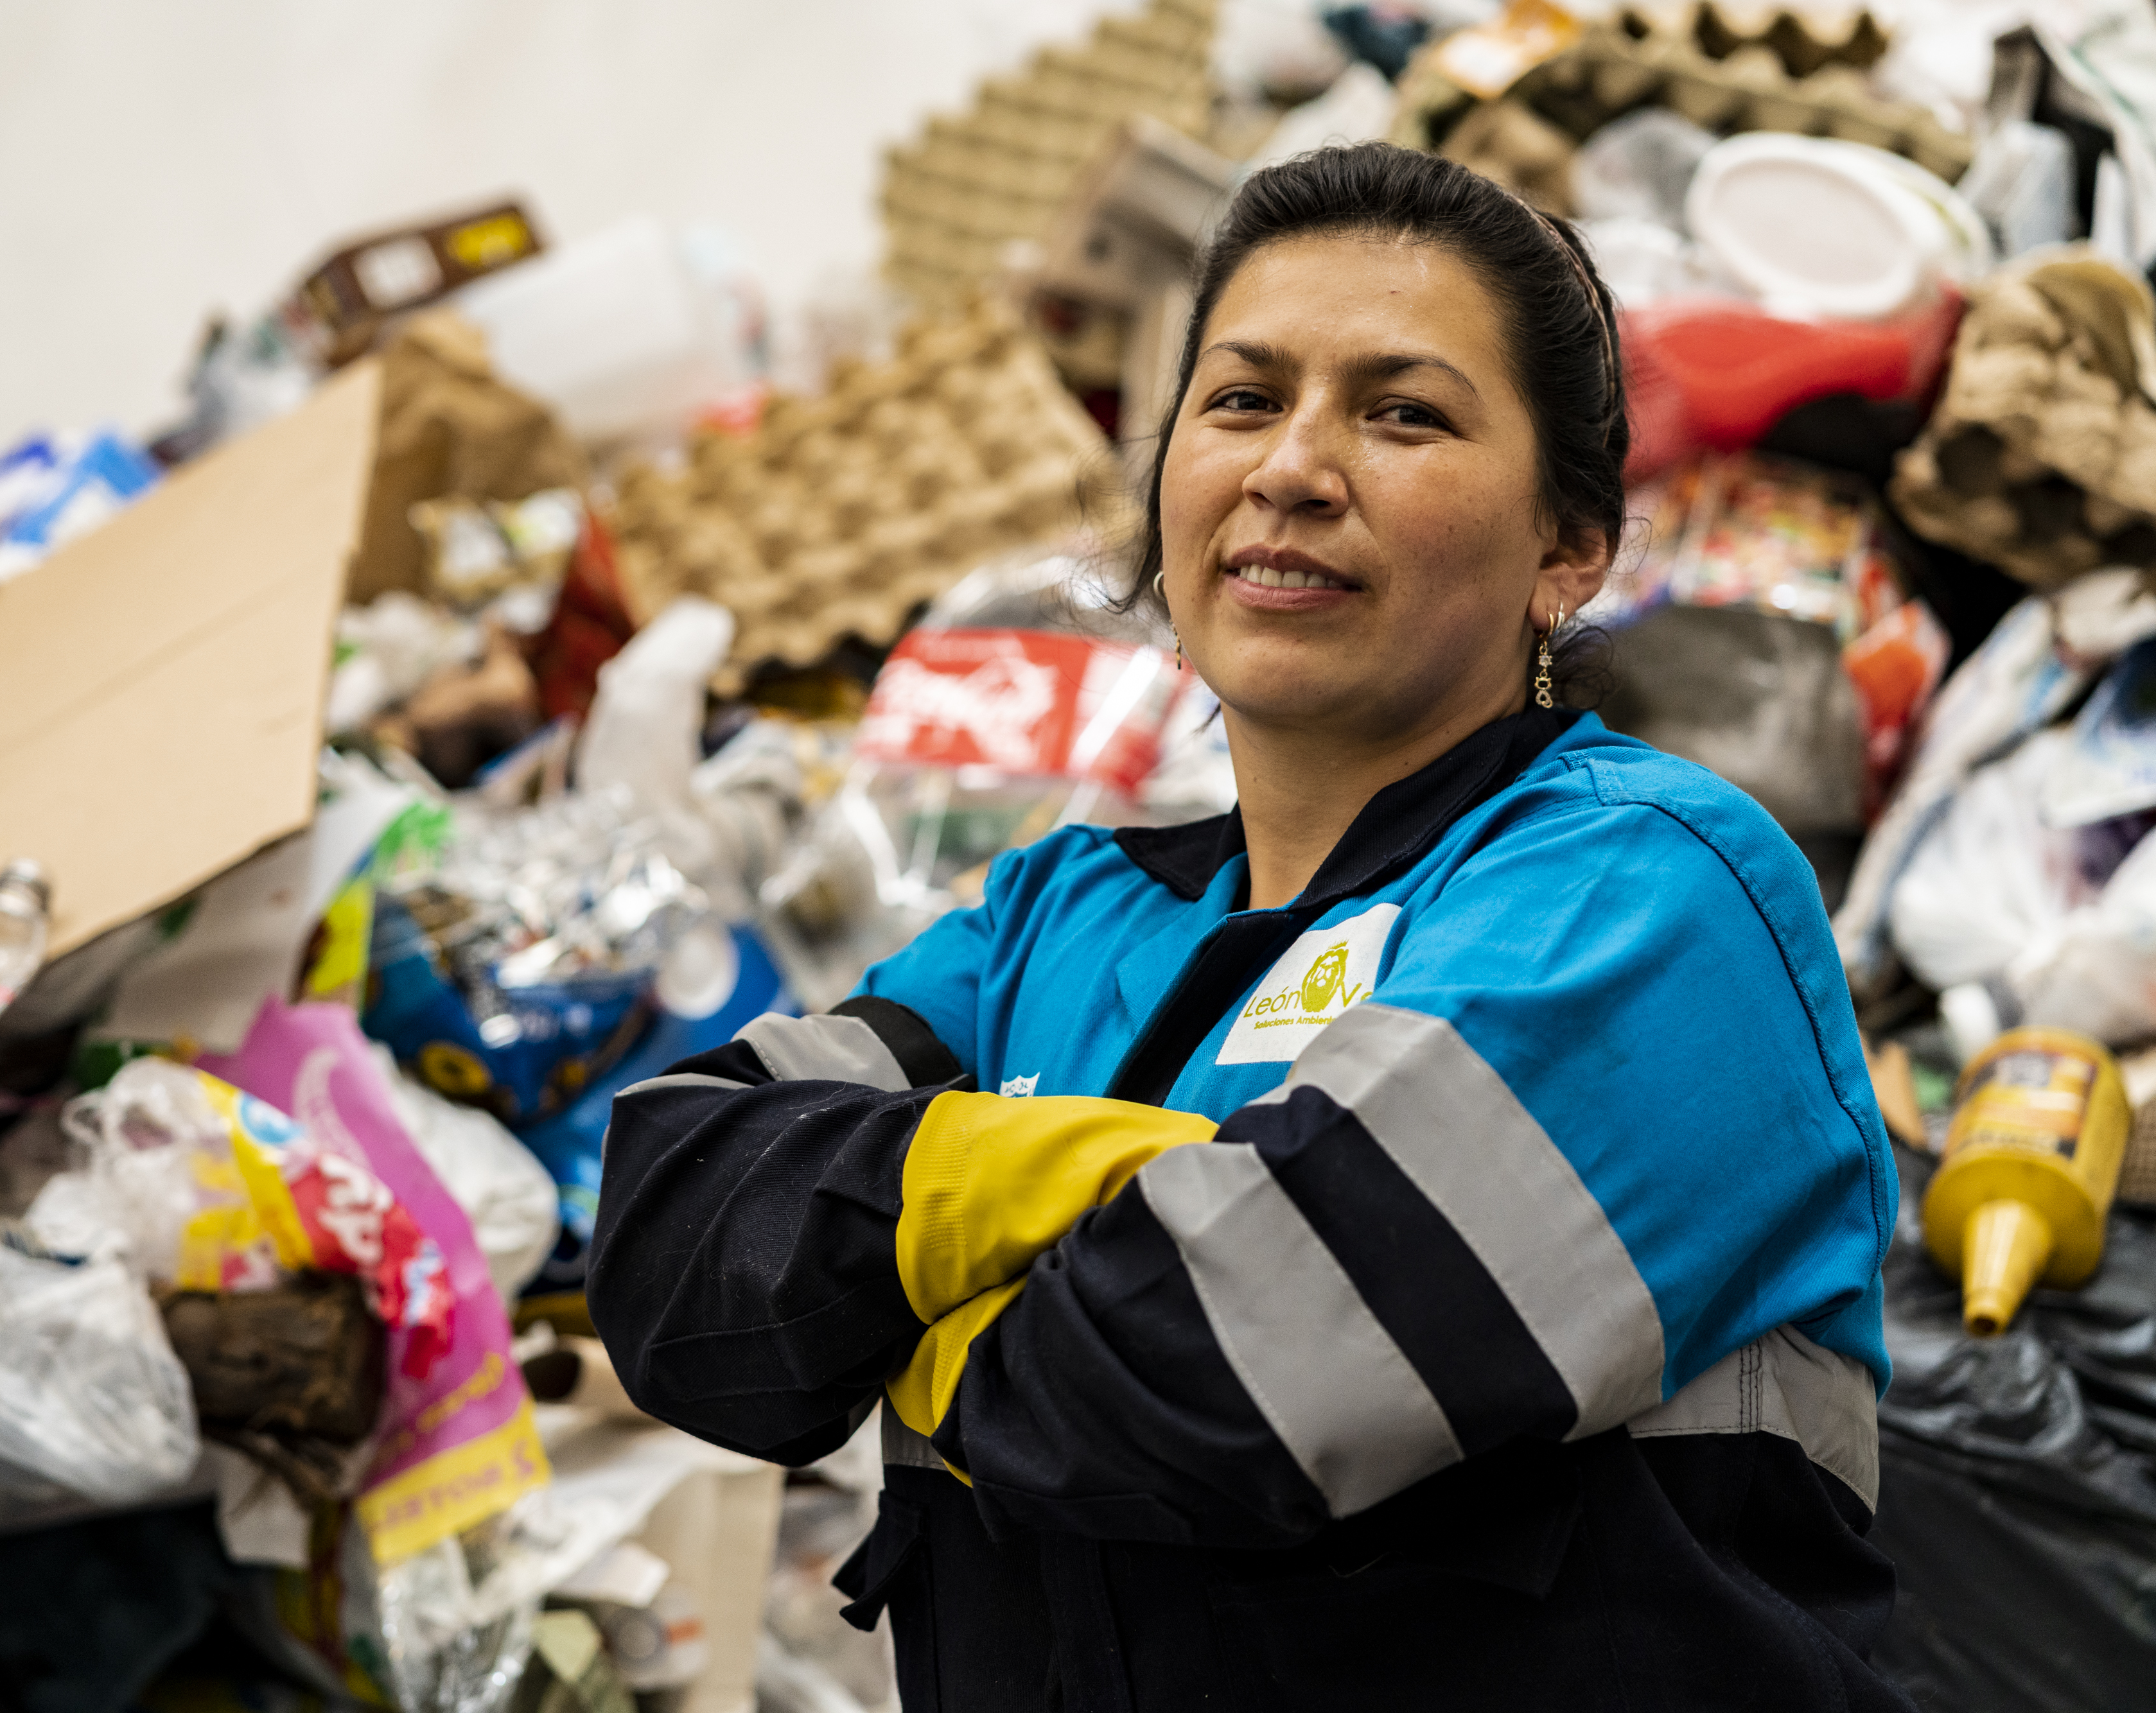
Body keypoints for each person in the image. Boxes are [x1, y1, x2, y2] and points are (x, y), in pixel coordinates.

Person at [585, 142, 1907, 1711]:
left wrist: (889, 1304)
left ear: (1568, 549)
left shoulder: (1650, 887)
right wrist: (1054, 1184)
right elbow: (673, 1240)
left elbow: (1229, 1374)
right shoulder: (1055, 915)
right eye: (1239, 399)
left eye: (1401, 410)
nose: (1290, 464)